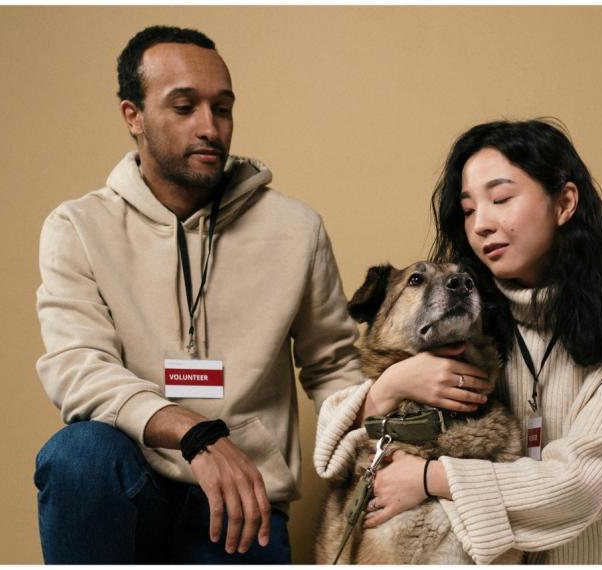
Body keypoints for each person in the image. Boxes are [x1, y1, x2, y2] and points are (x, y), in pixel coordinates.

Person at [34, 25, 363, 564]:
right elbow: (79, 369)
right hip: (133, 484)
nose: (210, 128)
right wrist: (195, 434)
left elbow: (333, 367)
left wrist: (382, 462)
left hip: (243, 503)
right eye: (184, 107)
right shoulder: (78, 228)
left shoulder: (296, 230)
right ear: (133, 116)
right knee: (78, 455)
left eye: (222, 108)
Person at [314, 119, 602, 563]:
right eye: (469, 209)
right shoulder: (475, 318)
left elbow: (578, 487)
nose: (480, 225)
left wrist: (428, 478)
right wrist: (392, 386)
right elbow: (332, 447)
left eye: (501, 199)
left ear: (564, 203)